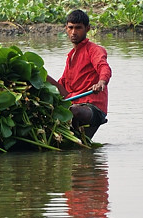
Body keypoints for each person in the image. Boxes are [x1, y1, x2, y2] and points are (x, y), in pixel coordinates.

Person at [47, 10, 112, 138]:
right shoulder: (71, 56)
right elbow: (62, 84)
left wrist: (101, 82)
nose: (74, 32)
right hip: (72, 100)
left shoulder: (94, 50)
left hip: (92, 107)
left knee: (74, 110)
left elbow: (104, 67)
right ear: (66, 28)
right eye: (70, 28)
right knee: (45, 78)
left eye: (78, 28)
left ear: (87, 29)